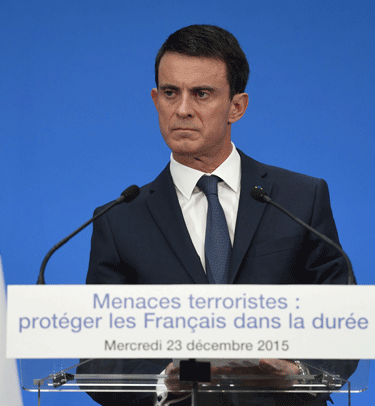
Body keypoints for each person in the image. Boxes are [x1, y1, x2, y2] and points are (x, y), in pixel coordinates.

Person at [77, 24, 354, 405]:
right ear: (155, 99)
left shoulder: (299, 199)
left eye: (202, 94)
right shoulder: (119, 219)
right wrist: (172, 378)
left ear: (236, 107)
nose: (183, 109)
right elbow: (97, 363)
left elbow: (343, 323)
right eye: (171, 93)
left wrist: (299, 373)